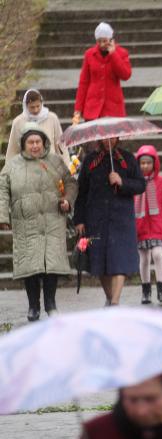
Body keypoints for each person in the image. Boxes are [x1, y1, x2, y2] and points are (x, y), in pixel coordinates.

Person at [0, 124, 77, 320]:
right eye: (30, 142)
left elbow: (70, 183)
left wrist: (67, 200)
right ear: (23, 144)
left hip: (53, 219)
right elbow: (2, 191)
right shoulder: (12, 165)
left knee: (51, 264)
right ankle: (33, 306)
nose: (35, 146)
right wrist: (2, 217)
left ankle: (51, 304)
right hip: (26, 222)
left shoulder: (55, 161)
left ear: (44, 143)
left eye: (38, 142)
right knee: (31, 266)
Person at [73, 137, 145, 306]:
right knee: (100, 261)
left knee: (119, 260)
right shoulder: (90, 161)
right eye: (104, 138)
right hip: (96, 219)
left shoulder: (127, 159)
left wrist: (122, 182)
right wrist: (79, 219)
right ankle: (109, 296)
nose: (108, 141)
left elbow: (140, 185)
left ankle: (115, 302)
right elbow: (82, 192)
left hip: (121, 219)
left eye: (112, 138)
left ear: (118, 138)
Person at [134, 145, 162, 306]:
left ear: (155, 164)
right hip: (140, 228)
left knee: (158, 255)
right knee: (144, 258)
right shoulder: (134, 184)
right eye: (142, 163)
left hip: (157, 228)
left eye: (148, 163)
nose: (145, 166)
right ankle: (146, 289)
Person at [73, 22, 132, 124]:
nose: (101, 44)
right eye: (99, 41)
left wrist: (113, 55)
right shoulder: (89, 54)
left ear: (110, 39)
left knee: (113, 139)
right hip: (93, 107)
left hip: (113, 107)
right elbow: (84, 82)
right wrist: (78, 109)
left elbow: (126, 75)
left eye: (104, 41)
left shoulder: (121, 53)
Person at [6, 89, 70, 166]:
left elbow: (61, 145)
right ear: (26, 106)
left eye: (38, 106)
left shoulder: (52, 118)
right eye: (32, 107)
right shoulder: (18, 122)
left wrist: (66, 166)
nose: (36, 110)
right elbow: (13, 150)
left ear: (41, 104)